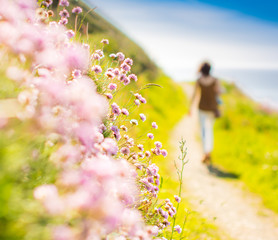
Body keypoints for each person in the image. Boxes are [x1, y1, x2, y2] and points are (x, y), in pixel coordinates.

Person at [189, 62, 221, 164]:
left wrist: (190, 108)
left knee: (203, 131)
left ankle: (204, 153)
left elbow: (194, 94)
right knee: (209, 130)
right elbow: (219, 92)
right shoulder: (215, 80)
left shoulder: (199, 80)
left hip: (202, 108)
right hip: (212, 108)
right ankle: (208, 152)